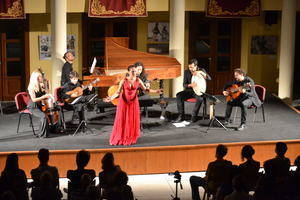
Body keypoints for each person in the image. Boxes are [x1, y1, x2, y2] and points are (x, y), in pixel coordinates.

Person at [104, 65, 162, 146]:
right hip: (124, 102)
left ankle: (129, 137)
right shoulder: (123, 81)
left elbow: (146, 89)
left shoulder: (138, 80)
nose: (134, 72)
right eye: (132, 71)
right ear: (128, 72)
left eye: (135, 71)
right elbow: (117, 92)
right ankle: (120, 137)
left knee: (131, 119)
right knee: (122, 119)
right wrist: (110, 98)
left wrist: (156, 91)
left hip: (133, 102)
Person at [174, 58, 211, 123]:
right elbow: (184, 84)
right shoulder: (187, 72)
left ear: (196, 66)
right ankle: (181, 116)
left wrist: (201, 72)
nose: (191, 69)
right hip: (189, 90)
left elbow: (209, 78)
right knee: (178, 95)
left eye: (192, 67)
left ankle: (194, 116)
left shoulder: (201, 70)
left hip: (198, 91)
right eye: (189, 67)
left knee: (200, 99)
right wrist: (190, 85)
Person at [27, 70, 53, 138]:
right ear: (36, 78)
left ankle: (51, 129)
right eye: (41, 76)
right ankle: (41, 134)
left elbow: (47, 91)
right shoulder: (31, 87)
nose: (42, 78)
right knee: (44, 116)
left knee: (51, 113)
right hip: (33, 106)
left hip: (39, 105)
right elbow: (33, 99)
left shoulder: (40, 85)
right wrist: (44, 97)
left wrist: (48, 83)